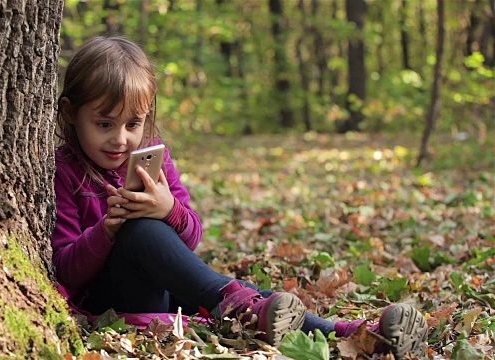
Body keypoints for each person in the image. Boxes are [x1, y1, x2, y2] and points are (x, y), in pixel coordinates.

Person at [52, 35, 428, 358]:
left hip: (162, 292)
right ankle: (246, 309)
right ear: (71, 113)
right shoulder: (64, 171)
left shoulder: (153, 162)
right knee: (141, 232)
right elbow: (65, 268)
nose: (120, 139)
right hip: (109, 303)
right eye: (104, 124)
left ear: (146, 116)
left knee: (243, 293)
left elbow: (192, 236)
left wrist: (170, 210)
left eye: (132, 124)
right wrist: (108, 231)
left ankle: (357, 335)